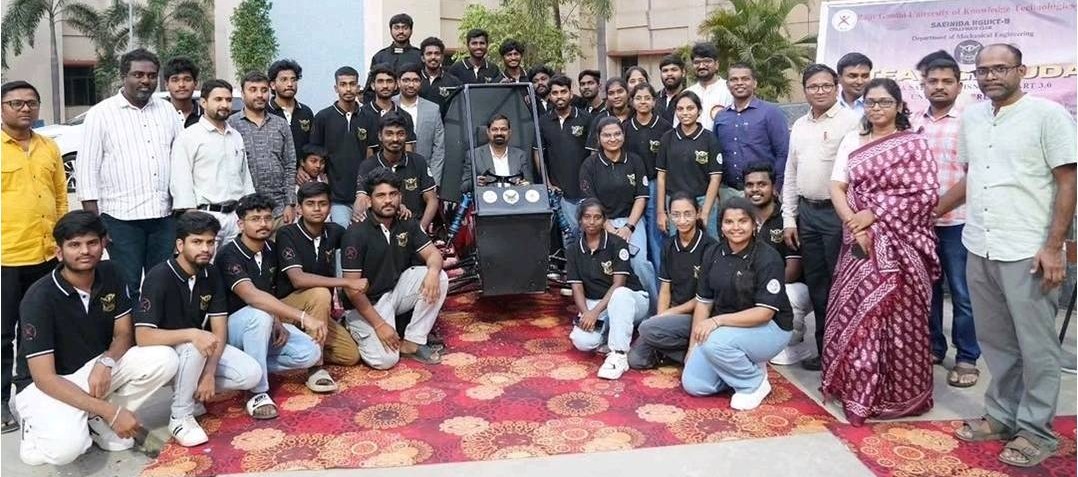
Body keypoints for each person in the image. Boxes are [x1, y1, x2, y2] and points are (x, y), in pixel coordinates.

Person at [946, 44, 1076, 468]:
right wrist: (929, 211)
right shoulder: (972, 118)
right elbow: (972, 179)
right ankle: (1002, 416)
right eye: (983, 70)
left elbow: (1068, 181)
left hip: (1028, 250)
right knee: (997, 341)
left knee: (1037, 347)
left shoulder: (1048, 115)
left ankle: (1037, 430)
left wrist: (1055, 246)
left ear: (1021, 70)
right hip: (979, 244)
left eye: (1000, 68)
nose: (991, 76)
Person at [12, 211, 178, 465]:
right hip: (48, 384)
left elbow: (124, 333)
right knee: (65, 451)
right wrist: (112, 412)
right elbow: (44, 377)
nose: (84, 251)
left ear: (103, 244)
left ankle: (92, 418)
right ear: (59, 252)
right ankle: (36, 425)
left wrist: (106, 361)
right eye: (74, 245)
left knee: (164, 359)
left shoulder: (111, 272)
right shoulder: (39, 297)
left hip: (93, 371)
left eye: (91, 243)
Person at [823, 78, 939, 426]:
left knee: (902, 319)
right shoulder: (853, 140)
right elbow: (837, 186)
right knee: (862, 313)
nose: (876, 108)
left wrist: (874, 213)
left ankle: (901, 394)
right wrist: (855, 223)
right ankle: (860, 391)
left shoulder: (914, 144)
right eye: (870, 102)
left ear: (899, 106)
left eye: (884, 102)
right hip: (859, 241)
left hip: (905, 244)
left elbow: (925, 194)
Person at [134, 211, 263, 447]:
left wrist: (209, 374)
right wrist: (192, 334)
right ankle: (180, 416)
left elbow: (219, 329)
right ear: (180, 245)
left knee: (251, 374)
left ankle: (191, 389)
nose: (205, 249)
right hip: (162, 354)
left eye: (210, 242)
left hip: (196, 351)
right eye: (197, 242)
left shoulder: (211, 273)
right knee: (195, 344)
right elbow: (143, 336)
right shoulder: (159, 276)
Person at [75, 48, 180, 299]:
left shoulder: (167, 111)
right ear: (124, 76)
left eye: (151, 76)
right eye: (138, 75)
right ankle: (127, 326)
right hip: (120, 219)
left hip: (163, 217)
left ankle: (155, 324)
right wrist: (96, 223)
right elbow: (87, 168)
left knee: (161, 283)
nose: (146, 81)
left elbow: (181, 160)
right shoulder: (101, 114)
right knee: (126, 284)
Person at [214, 193, 326, 420]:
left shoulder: (270, 250)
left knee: (310, 353)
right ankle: (257, 392)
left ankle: (251, 367)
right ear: (240, 224)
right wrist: (303, 317)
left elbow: (271, 292)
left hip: (262, 325)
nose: (263, 224)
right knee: (259, 315)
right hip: (230, 331)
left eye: (267, 218)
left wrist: (277, 320)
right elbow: (252, 296)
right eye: (255, 219)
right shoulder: (228, 254)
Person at [780, 64, 860, 371]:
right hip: (808, 215)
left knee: (843, 284)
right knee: (817, 285)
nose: (820, 91)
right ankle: (826, 349)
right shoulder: (800, 125)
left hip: (838, 215)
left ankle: (848, 352)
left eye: (826, 85)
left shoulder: (852, 122)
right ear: (804, 90)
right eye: (813, 86)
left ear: (836, 87)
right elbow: (791, 172)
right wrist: (790, 218)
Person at [680, 197, 793, 411]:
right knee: (694, 385)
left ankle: (754, 383)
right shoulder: (713, 253)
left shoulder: (768, 257)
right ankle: (743, 366)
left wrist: (717, 321)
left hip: (770, 328)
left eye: (742, 221)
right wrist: (692, 347)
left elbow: (764, 313)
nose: (736, 227)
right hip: (729, 331)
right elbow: (703, 303)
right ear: (721, 226)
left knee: (713, 341)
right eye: (729, 222)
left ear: (754, 224)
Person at [1, 80, 67, 433]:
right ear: (2, 108)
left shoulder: (48, 147)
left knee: (35, 330)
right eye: (16, 103)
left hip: (45, 255)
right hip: (7, 257)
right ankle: (1, 403)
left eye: (31, 102)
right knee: (3, 334)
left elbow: (60, 196)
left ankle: (31, 395)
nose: (25, 108)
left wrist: (62, 241)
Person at [911, 50, 979, 387]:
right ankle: (933, 347)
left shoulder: (970, 121)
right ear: (923, 85)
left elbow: (975, 174)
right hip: (920, 225)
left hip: (958, 222)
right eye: (933, 81)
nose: (939, 86)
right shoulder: (914, 122)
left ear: (959, 85)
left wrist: (938, 208)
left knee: (963, 294)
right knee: (928, 290)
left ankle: (967, 356)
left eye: (947, 81)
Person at [342, 169, 448, 368]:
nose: (388, 200)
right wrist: (380, 325)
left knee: (439, 277)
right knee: (385, 360)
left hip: (395, 292)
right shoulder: (356, 233)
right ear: (369, 201)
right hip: (366, 303)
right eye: (381, 195)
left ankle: (412, 342)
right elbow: (351, 289)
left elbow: (433, 255)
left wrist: (433, 273)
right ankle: (349, 326)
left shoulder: (406, 221)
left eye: (393, 194)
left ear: (400, 197)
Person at [276, 182, 364, 374]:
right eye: (310, 204)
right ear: (299, 208)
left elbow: (359, 239)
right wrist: (347, 282)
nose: (317, 208)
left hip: (317, 312)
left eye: (322, 204)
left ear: (330, 207)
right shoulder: (286, 233)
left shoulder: (334, 231)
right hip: (288, 308)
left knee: (350, 356)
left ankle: (303, 344)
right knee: (320, 293)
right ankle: (315, 368)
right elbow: (298, 279)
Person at [628, 192, 717, 369]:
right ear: (669, 215)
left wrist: (668, 314)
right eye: (676, 214)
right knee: (636, 360)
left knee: (647, 328)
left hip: (698, 314)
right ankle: (681, 352)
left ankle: (689, 350)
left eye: (687, 214)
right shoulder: (668, 245)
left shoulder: (710, 247)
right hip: (674, 312)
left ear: (698, 213)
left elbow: (705, 298)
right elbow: (665, 289)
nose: (682, 220)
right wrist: (661, 317)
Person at [566, 198, 650, 380]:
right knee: (582, 342)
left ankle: (619, 355)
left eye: (597, 217)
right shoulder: (573, 249)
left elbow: (619, 284)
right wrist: (586, 313)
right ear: (580, 219)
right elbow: (577, 287)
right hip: (598, 302)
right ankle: (612, 332)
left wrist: (595, 313)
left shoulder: (617, 243)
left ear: (604, 220)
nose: (592, 222)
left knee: (619, 295)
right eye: (587, 217)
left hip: (631, 299)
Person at [742, 162, 815, 366]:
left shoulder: (787, 218)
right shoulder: (742, 219)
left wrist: (758, 288)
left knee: (788, 294)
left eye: (762, 184)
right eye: (749, 185)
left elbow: (793, 271)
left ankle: (794, 345)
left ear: (774, 187)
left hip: (792, 286)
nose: (755, 189)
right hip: (756, 286)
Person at [579, 116, 657, 305]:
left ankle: (653, 310)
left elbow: (641, 196)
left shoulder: (635, 161)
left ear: (623, 135)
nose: (612, 139)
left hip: (631, 221)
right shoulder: (589, 165)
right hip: (601, 223)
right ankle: (607, 308)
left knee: (640, 263)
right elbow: (591, 202)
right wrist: (609, 228)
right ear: (599, 138)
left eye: (617, 134)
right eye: (607, 135)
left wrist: (628, 227)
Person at [170, 79, 255, 248]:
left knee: (234, 263)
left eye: (228, 100)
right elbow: (181, 180)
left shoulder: (235, 136)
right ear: (203, 102)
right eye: (218, 99)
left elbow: (245, 177)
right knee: (205, 264)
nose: (224, 104)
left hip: (236, 217)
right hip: (205, 217)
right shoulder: (189, 137)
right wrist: (193, 218)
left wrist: (249, 212)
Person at [306, 66, 379, 228]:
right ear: (336, 88)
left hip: (363, 194)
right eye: (343, 84)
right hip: (335, 197)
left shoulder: (369, 118)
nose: (348, 89)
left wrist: (367, 191)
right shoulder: (323, 117)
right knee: (340, 235)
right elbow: (315, 156)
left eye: (352, 84)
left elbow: (371, 156)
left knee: (363, 237)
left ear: (358, 87)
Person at [229, 71, 298, 230]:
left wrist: (290, 203)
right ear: (242, 93)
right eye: (253, 90)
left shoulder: (280, 124)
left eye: (264, 90)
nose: (259, 95)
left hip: (279, 210)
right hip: (245, 210)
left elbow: (290, 164)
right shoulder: (231, 125)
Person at [713, 63, 790, 197]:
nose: (739, 83)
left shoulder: (771, 113)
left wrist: (776, 187)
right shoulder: (721, 116)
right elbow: (715, 153)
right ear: (728, 85)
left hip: (761, 191)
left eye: (745, 79)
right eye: (734, 79)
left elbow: (783, 152)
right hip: (727, 191)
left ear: (754, 83)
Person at [354, 113, 439, 231]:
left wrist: (421, 229)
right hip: (381, 230)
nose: (395, 139)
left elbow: (432, 200)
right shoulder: (368, 165)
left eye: (400, 134)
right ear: (380, 136)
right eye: (389, 134)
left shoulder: (418, 161)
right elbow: (361, 198)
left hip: (414, 227)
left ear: (406, 136)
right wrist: (358, 211)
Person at [656, 91, 722, 239]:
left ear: (699, 111)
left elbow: (715, 178)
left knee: (709, 243)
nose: (685, 113)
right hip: (675, 202)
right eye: (680, 109)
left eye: (690, 108)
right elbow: (661, 176)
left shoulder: (709, 139)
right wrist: (661, 212)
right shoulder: (667, 138)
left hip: (703, 200)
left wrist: (705, 212)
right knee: (678, 243)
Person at [624, 83, 673, 272]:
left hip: (655, 186)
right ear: (632, 102)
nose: (643, 102)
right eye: (638, 98)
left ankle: (662, 283)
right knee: (637, 238)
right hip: (631, 187)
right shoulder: (625, 128)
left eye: (647, 98)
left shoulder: (664, 127)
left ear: (654, 101)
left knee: (656, 238)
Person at [538, 75, 593, 238]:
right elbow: (538, 153)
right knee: (568, 238)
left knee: (588, 235)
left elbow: (594, 153)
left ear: (571, 93)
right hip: (559, 192)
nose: (559, 96)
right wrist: (548, 184)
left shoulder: (586, 118)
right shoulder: (543, 121)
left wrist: (591, 183)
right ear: (550, 96)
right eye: (555, 93)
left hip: (584, 190)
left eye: (563, 91)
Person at [395, 62, 446, 186]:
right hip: (391, 175)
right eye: (406, 80)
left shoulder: (433, 109)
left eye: (415, 80)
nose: (411, 85)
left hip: (423, 175)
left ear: (421, 82)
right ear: (398, 82)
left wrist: (433, 181)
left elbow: (439, 148)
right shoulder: (390, 105)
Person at [267, 59, 316, 171]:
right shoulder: (266, 112)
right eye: (284, 79)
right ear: (273, 85)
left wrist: (303, 167)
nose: (290, 84)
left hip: (303, 175)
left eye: (293, 80)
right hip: (275, 174)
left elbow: (312, 146)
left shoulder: (306, 112)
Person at [462, 114, 533, 191]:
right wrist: (474, 183)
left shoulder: (520, 155)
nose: (499, 133)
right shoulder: (474, 155)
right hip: (487, 198)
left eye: (503, 129)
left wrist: (525, 184)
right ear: (488, 132)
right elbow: (463, 187)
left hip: (514, 197)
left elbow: (530, 184)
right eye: (494, 129)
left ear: (509, 132)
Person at [363, 64, 418, 149]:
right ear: (373, 85)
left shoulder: (405, 116)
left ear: (396, 85)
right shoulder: (361, 114)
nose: (385, 86)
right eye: (380, 81)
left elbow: (408, 150)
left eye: (389, 81)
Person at [684, 42, 733, 131]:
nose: (701, 66)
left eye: (707, 61)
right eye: (697, 62)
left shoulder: (730, 90)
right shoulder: (687, 93)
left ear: (716, 64)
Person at [418, 37, 463, 113]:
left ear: (442, 57)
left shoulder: (454, 82)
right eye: (429, 54)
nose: (433, 57)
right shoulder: (415, 80)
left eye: (437, 54)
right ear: (422, 58)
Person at [585, 78, 632, 151]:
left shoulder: (636, 116)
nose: (616, 96)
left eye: (620, 91)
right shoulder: (600, 119)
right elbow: (594, 151)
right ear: (607, 97)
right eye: (611, 93)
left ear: (628, 93)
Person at [163, 57, 202, 128]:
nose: (181, 85)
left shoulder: (206, 116)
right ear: (166, 85)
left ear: (196, 83)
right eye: (175, 80)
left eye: (187, 79)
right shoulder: (158, 115)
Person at [656, 55, 686, 124]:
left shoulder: (690, 97)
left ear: (683, 72)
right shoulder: (654, 99)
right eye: (665, 71)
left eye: (674, 70)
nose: (669, 74)